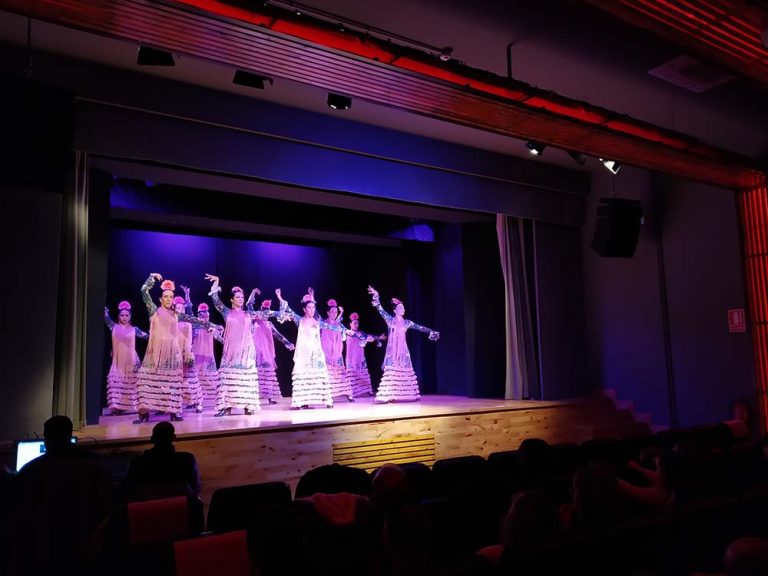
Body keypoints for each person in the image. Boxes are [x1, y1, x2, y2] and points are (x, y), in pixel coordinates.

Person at [11, 416, 111, 575]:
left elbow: (19, 515)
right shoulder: (96, 465)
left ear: (47, 439)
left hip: (45, 551)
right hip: (87, 548)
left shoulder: (30, 471)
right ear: (69, 435)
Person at [134, 274, 211, 424]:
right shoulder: (153, 310)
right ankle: (144, 413)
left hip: (172, 355)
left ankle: (174, 411)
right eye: (166, 296)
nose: (169, 299)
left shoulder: (177, 315)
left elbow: (195, 320)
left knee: (172, 385)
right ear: (161, 299)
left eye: (171, 296)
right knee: (146, 383)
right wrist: (151, 278)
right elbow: (144, 291)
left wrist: (212, 326)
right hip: (154, 354)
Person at [275, 287, 350, 409]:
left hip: (316, 353)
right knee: (305, 376)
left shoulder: (317, 321)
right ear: (304, 309)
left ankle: (326, 400)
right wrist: (279, 297)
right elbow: (287, 308)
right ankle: (303, 401)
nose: (311, 309)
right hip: (304, 354)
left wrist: (347, 331)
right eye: (309, 307)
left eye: (313, 307)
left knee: (319, 375)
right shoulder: (300, 320)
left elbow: (332, 327)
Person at [367, 285, 439, 403]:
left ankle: (410, 395)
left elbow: (419, 327)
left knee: (405, 369)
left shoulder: (407, 323)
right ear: (395, 311)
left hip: (402, 350)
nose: (402, 309)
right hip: (392, 350)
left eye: (403, 307)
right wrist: (376, 295)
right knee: (392, 371)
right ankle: (389, 395)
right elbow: (380, 309)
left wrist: (430, 331)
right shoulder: (390, 320)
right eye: (400, 308)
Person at [205, 274, 261, 416]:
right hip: (231, 352)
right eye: (237, 297)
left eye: (242, 297)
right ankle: (226, 407)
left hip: (246, 352)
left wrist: (281, 313)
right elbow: (215, 300)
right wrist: (217, 282)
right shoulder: (227, 312)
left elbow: (265, 313)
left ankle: (248, 406)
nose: (240, 299)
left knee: (245, 378)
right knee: (228, 379)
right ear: (231, 300)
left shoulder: (248, 314)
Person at [121, 421, 201, 501]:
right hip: (180, 508)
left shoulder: (138, 463)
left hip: (148, 509)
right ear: (174, 438)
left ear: (152, 439)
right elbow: (195, 488)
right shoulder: (187, 460)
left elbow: (127, 490)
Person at [247, 291, 294, 405]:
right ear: (261, 310)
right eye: (264, 311)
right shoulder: (254, 321)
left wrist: (288, 344)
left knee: (268, 374)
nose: (265, 314)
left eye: (267, 312)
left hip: (268, 352)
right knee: (256, 374)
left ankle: (269, 397)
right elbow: (249, 305)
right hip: (256, 351)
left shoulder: (269, 324)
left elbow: (278, 335)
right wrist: (253, 293)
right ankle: (254, 397)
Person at [103, 301, 148, 415]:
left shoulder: (134, 329)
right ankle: (117, 407)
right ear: (118, 316)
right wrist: (104, 310)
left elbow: (147, 336)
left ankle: (132, 406)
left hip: (131, 360)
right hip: (118, 361)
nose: (124, 317)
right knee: (117, 382)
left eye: (127, 315)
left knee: (131, 382)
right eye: (122, 315)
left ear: (130, 316)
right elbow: (106, 317)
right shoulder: (113, 327)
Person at [190, 301, 223, 412]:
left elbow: (220, 329)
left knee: (211, 380)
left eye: (207, 315)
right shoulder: (195, 326)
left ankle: (215, 402)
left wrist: (216, 330)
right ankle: (197, 402)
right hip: (197, 356)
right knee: (197, 380)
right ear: (199, 315)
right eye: (203, 315)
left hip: (208, 356)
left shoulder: (211, 326)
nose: (206, 317)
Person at [174, 288, 202, 413]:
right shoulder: (171, 321)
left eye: (182, 308)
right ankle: (175, 404)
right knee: (176, 379)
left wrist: (187, 295)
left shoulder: (189, 320)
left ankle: (198, 402)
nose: (180, 310)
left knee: (191, 379)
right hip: (174, 354)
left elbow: (190, 308)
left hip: (187, 354)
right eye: (178, 308)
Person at [321, 298, 354, 402]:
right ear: (328, 312)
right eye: (332, 311)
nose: (334, 313)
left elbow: (346, 331)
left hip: (337, 352)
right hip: (326, 351)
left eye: (336, 312)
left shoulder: (339, 324)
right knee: (328, 373)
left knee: (341, 373)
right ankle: (328, 394)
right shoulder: (323, 323)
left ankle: (348, 394)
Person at [345, 312, 385, 398]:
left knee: (363, 373)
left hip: (360, 356)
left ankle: (368, 390)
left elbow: (368, 336)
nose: (356, 325)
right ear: (350, 324)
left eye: (357, 323)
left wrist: (378, 337)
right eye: (355, 323)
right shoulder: (349, 332)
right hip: (351, 357)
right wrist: (366, 339)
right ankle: (350, 392)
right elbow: (362, 337)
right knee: (352, 373)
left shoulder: (361, 332)